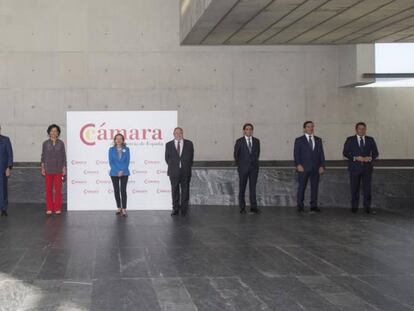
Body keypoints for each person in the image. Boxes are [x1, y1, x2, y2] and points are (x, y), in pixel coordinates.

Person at [343, 122, 379, 214]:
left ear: (365, 129)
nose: (361, 130)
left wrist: (370, 158)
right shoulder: (350, 139)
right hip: (354, 168)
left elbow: (375, 153)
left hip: (367, 168)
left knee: (367, 189)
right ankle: (354, 207)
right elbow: (345, 152)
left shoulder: (370, 139)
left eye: (363, 128)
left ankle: (367, 207)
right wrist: (355, 158)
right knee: (354, 188)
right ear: (356, 129)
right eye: (360, 128)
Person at [294, 121, 326, 213]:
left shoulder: (318, 140)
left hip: (316, 168)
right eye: (308, 127)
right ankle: (300, 206)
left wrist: (322, 166)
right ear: (304, 129)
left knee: (315, 187)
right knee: (302, 188)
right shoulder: (299, 140)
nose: (310, 128)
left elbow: (321, 154)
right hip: (303, 168)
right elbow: (296, 154)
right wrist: (298, 165)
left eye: (312, 127)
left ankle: (314, 206)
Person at [165, 127, 194, 216]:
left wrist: (186, 166)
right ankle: (175, 209)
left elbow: (191, 157)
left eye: (180, 133)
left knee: (185, 191)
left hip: (185, 171)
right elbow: (167, 158)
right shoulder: (168, 144)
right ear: (174, 134)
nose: (178, 134)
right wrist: (174, 167)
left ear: (182, 133)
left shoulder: (189, 143)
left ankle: (184, 209)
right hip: (174, 172)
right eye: (176, 133)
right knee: (175, 191)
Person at [234, 123, 261, 214]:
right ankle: (242, 207)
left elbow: (257, 154)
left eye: (250, 129)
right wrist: (241, 166)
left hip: (254, 169)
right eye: (247, 129)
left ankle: (254, 207)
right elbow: (236, 155)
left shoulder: (257, 141)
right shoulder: (239, 141)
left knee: (252, 188)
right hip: (243, 169)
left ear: (252, 131)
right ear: (244, 131)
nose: (248, 131)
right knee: (242, 188)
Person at [41, 124, 66, 215]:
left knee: (58, 190)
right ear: (49, 132)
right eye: (52, 131)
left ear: (58, 133)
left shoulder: (61, 143)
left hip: (59, 169)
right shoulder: (45, 143)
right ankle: (49, 208)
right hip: (48, 169)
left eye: (55, 131)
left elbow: (63, 156)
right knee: (48, 190)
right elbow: (43, 156)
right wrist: (43, 167)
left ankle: (57, 208)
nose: (53, 132)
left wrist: (64, 168)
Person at [108, 133, 130, 217]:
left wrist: (122, 171)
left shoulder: (127, 149)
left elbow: (127, 161)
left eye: (120, 138)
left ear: (123, 140)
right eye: (117, 138)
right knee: (116, 190)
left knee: (123, 190)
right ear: (114, 140)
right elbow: (111, 162)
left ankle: (124, 208)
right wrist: (117, 171)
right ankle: (118, 207)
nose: (119, 140)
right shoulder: (111, 149)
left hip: (124, 172)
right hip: (114, 172)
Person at [0, 125, 13, 217]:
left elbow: (10, 154)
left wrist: (9, 167)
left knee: (3, 189)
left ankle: (3, 208)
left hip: (3, 169)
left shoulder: (5, 140)